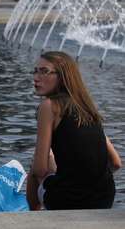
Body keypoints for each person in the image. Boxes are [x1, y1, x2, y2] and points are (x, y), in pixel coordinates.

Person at [26, 51, 121, 211]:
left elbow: (40, 169)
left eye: (44, 71)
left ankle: (35, 218)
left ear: (63, 76)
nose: (36, 77)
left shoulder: (49, 106)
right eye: (35, 71)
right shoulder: (87, 107)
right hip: (104, 198)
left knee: (35, 165)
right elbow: (116, 163)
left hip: (68, 199)